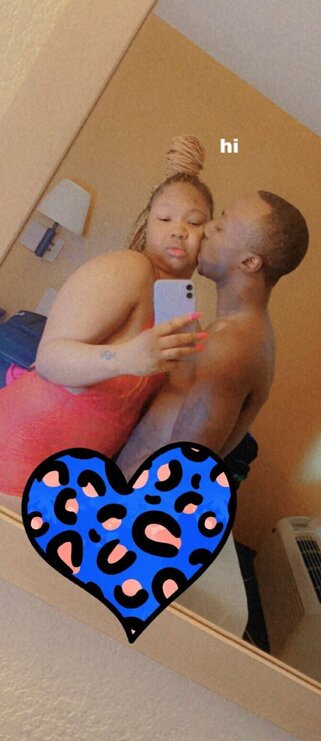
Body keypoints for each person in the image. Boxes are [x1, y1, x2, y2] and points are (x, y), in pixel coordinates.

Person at [0, 137, 213, 506]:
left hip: (65, 486)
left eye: (194, 222)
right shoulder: (130, 269)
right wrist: (125, 358)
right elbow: (49, 360)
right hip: (15, 457)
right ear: (147, 225)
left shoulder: (181, 311)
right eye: (164, 218)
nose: (178, 229)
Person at [116, 190, 309, 477]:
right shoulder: (234, 333)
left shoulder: (233, 346)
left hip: (129, 500)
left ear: (249, 263)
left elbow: (181, 469)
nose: (207, 228)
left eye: (221, 227)